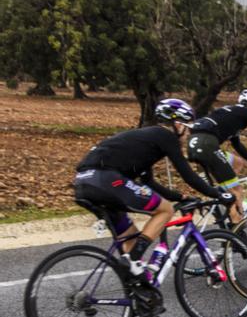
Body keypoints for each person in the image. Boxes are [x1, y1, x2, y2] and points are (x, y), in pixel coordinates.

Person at [73, 98, 235, 286]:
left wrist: (179, 197)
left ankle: (137, 290)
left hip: (84, 182)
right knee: (165, 210)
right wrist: (219, 194)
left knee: (130, 235)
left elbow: (147, 182)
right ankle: (131, 260)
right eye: (187, 127)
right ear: (177, 124)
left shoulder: (145, 140)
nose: (187, 134)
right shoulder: (165, 136)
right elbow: (188, 175)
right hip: (106, 179)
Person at [186, 89, 247, 223]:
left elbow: (237, 145)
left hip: (195, 143)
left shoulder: (232, 112)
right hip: (208, 145)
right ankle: (236, 232)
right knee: (237, 190)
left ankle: (225, 194)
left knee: (237, 163)